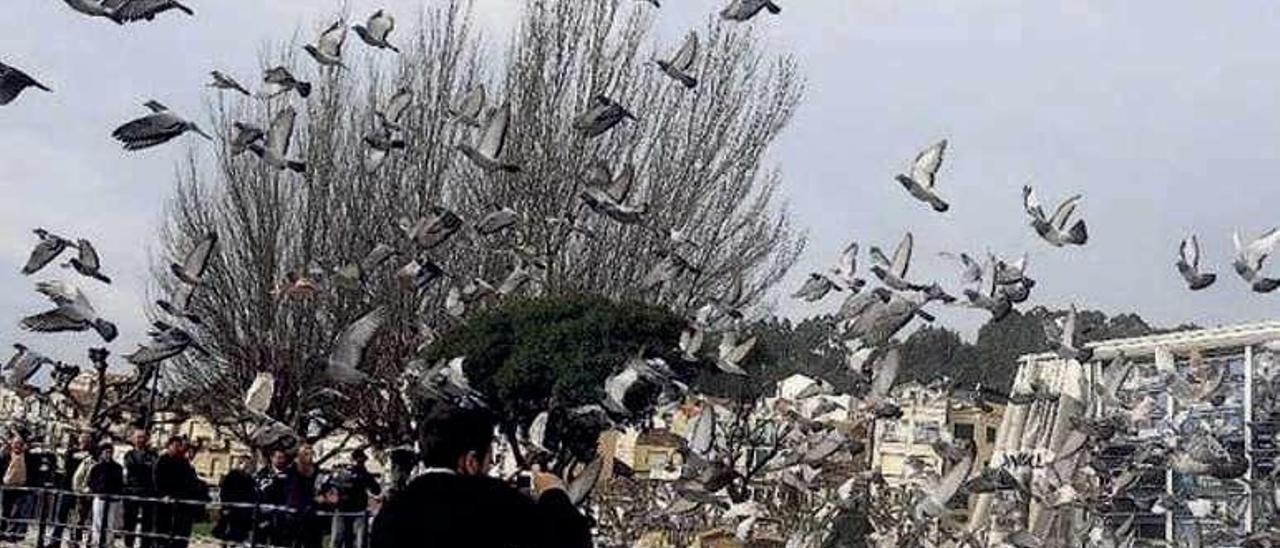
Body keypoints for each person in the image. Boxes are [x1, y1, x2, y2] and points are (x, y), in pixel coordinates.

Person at [370, 407, 592, 548]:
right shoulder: (489, 499)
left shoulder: (392, 512)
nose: (491, 465)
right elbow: (568, 539)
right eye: (489, 457)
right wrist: (553, 493)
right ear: (470, 461)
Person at [152, 436, 202, 548]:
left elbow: (189, 481)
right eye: (175, 446)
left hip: (180, 500)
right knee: (162, 527)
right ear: (169, 446)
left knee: (179, 531)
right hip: (165, 500)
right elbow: (157, 479)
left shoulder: (183, 462)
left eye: (179, 446)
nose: (177, 448)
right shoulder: (162, 460)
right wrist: (163, 495)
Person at [50, 432, 94, 548]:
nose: (84, 441)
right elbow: (67, 465)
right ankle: (55, 540)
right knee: (61, 516)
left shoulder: (93, 454)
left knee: (79, 518)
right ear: (79, 440)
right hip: (68, 488)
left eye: (87, 439)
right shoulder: (71, 451)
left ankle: (74, 541)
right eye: (83, 439)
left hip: (82, 489)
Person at [330, 450, 380, 548]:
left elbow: (376, 490)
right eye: (358, 461)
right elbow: (330, 487)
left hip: (358, 512)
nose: (359, 463)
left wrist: (365, 476)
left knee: (360, 543)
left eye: (361, 461)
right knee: (337, 540)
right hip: (342, 511)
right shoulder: (342, 473)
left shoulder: (365, 475)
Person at [0, 432, 43, 543]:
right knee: (6, 511)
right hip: (8, 487)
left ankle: (15, 534)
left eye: (19, 443)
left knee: (18, 511)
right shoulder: (6, 455)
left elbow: (35, 471)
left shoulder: (29, 457)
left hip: (23, 488)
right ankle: (3, 532)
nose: (17, 446)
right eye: (15, 443)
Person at [121, 429, 157, 548]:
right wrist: (144, 468)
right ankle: (128, 544)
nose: (140, 440)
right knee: (129, 521)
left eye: (143, 437)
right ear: (133, 439)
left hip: (148, 492)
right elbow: (132, 469)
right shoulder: (129, 455)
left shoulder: (152, 455)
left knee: (148, 522)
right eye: (138, 437)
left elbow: (154, 470)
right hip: (132, 492)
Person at [212, 455, 256, 547]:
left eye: (249, 465)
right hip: (230, 508)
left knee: (237, 535)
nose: (248, 467)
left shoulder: (249, 479)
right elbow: (224, 492)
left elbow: (251, 495)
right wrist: (225, 506)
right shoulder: (232, 476)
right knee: (225, 532)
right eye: (246, 464)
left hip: (243, 512)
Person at [283, 445, 321, 548]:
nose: (309, 457)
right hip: (295, 508)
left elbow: (316, 486)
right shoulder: (293, 469)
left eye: (311, 454)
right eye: (306, 454)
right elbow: (292, 489)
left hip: (310, 509)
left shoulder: (316, 468)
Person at [88, 442, 124, 548]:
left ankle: (108, 544)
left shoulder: (117, 467)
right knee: (97, 522)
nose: (108, 454)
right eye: (106, 452)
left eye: (110, 452)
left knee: (111, 523)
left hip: (113, 498)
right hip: (100, 497)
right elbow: (91, 481)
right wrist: (96, 490)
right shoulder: (96, 467)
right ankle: (96, 542)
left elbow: (120, 482)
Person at [254, 449, 291, 548]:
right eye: (278, 458)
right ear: (272, 458)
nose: (280, 460)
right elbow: (258, 491)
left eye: (282, 458)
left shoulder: (290, 474)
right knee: (260, 541)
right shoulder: (263, 473)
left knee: (279, 543)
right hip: (263, 515)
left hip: (281, 516)